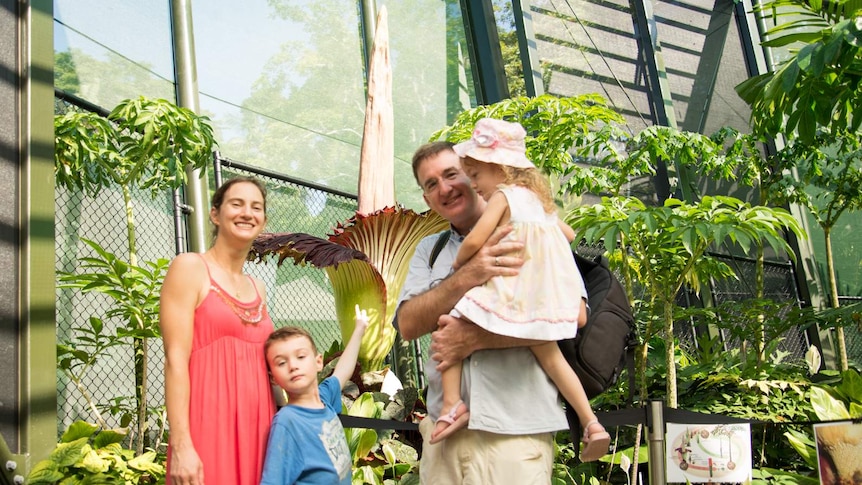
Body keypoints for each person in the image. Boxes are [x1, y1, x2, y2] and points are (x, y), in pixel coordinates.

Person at [427, 118, 610, 462]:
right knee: (554, 360)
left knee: (450, 321)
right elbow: (569, 236)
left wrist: (459, 263)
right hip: (547, 298)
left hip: (516, 293)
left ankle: (452, 405)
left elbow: (476, 239)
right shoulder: (539, 203)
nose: (474, 184)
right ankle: (592, 423)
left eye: (477, 175)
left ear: (499, 169)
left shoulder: (504, 196)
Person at [395, 139, 567, 485]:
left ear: (475, 174)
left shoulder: (533, 224)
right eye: (431, 184)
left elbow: (572, 316)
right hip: (446, 440)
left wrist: (473, 339)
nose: (445, 188)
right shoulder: (431, 249)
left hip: (515, 433)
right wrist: (467, 276)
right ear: (427, 199)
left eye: (451, 174)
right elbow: (408, 324)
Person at [160, 176, 274, 485]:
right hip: (207, 424)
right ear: (215, 214)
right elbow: (175, 359)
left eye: (256, 207)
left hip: (259, 430)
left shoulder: (258, 287)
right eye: (236, 204)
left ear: (263, 220)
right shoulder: (189, 268)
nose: (247, 213)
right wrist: (182, 444)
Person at [260, 305, 369, 485]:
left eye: (300, 356)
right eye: (281, 362)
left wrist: (359, 329)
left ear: (318, 362)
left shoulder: (325, 397)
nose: (293, 366)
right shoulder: (287, 422)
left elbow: (342, 371)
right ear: (273, 378)